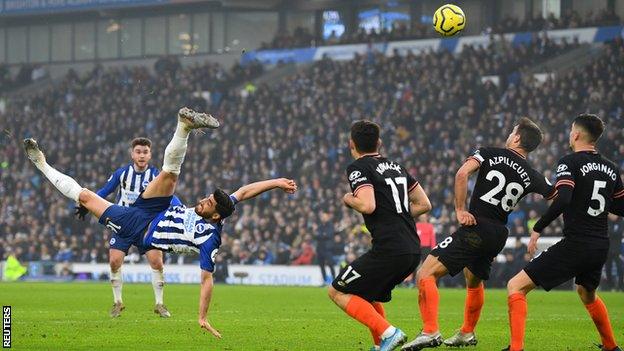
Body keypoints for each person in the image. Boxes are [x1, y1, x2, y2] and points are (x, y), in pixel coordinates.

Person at [24, 107, 298, 335]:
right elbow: (244, 192)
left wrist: (202, 317)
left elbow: (206, 280)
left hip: (140, 227)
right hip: (157, 207)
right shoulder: (218, 207)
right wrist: (276, 182)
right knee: (170, 174)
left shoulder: (210, 239)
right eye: (206, 198)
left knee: (85, 197)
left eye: (208, 203)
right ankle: (184, 125)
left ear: (216, 216)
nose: (202, 200)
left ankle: (41, 164)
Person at [402, 117, 556, 350]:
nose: (509, 135)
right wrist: (540, 226)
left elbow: (462, 174)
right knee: (473, 280)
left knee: (425, 274)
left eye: (512, 131)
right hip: (497, 234)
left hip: (477, 225)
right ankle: (467, 332)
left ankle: (430, 331)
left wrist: (460, 209)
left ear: (516, 138)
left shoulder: (489, 153)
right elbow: (557, 197)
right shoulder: (532, 174)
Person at [504, 114, 624, 351]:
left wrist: (538, 227)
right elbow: (620, 207)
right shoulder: (611, 168)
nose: (570, 134)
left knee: (515, 286)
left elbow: (563, 199)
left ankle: (516, 348)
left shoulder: (569, 162)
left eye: (571, 130)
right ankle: (611, 346)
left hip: (576, 244)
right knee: (586, 294)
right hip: (600, 245)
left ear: (577, 134)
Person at [328, 120, 432, 351]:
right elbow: (424, 204)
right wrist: (397, 216)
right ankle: (380, 345)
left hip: (390, 249)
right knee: (368, 293)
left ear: (351, 144)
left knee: (337, 290)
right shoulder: (397, 167)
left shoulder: (358, 168)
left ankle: (389, 333)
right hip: (411, 249)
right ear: (379, 142)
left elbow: (367, 205)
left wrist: (347, 198)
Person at [77, 137, 169, 318]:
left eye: (145, 152)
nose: (141, 155)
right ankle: (118, 302)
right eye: (138, 152)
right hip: (122, 225)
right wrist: (87, 203)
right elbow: (105, 191)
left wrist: (180, 207)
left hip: (146, 226)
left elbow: (168, 195)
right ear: (132, 154)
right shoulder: (122, 173)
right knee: (114, 261)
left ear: (150, 155)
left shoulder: (156, 176)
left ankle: (160, 303)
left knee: (157, 262)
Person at [317, 210, 336, 283]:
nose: (323, 218)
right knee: (322, 266)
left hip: (327, 249)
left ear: (328, 218)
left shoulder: (330, 225)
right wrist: (322, 235)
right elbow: (316, 235)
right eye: (322, 217)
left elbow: (329, 235)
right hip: (320, 249)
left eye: (325, 217)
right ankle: (324, 281)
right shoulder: (320, 226)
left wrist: (321, 235)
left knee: (331, 265)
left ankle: (334, 280)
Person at [606, 214, 623, 291]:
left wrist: (611, 232)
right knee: (608, 268)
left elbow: (618, 232)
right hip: (608, 249)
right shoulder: (606, 221)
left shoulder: (620, 221)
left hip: (617, 249)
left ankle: (620, 285)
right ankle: (610, 286)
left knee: (620, 268)